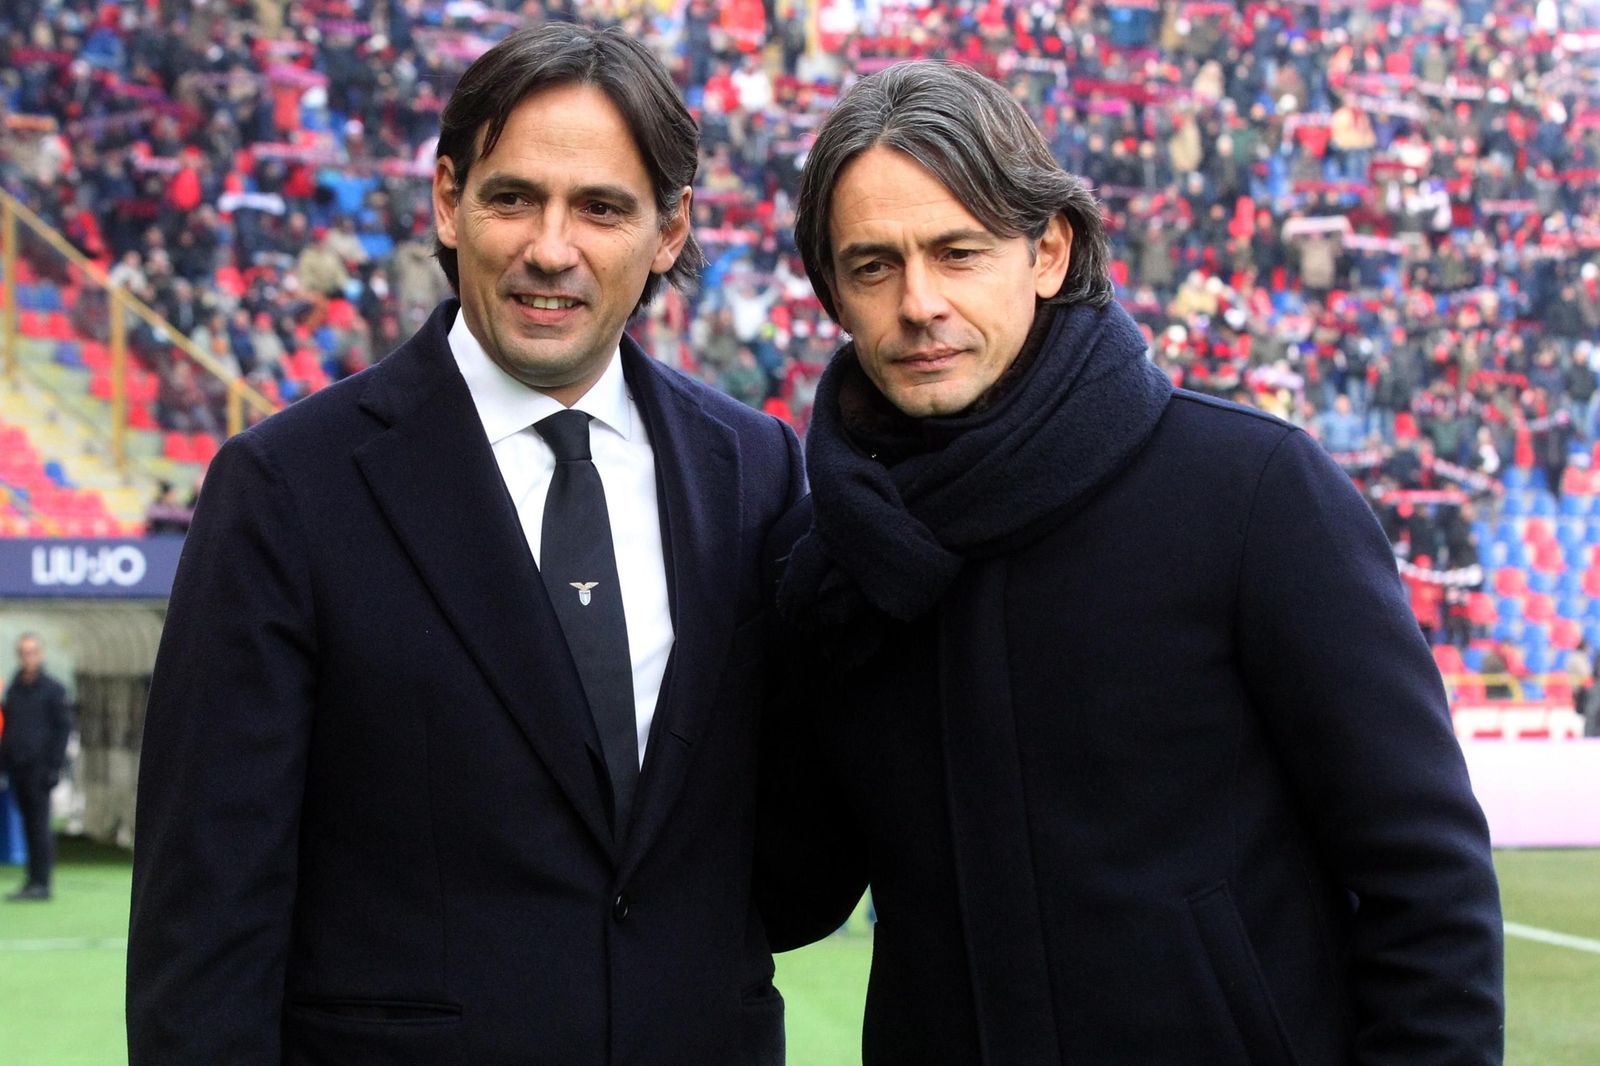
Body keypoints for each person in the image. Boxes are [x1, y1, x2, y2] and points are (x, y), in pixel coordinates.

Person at [759, 61, 1504, 1064]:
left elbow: (1426, 881)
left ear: (1048, 250)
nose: (919, 301)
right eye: (873, 265)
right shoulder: (836, 565)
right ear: (833, 294)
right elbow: (791, 894)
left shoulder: (1251, 493)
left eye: (957, 251)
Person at [127, 25, 803, 1065]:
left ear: (669, 233)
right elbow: (206, 913)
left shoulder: (756, 471)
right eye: (512, 197)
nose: (550, 246)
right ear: (447, 200)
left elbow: (793, 853)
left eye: (601, 208)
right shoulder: (286, 488)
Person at [1, 633, 72, 902]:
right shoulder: (15, 688)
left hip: (40, 770)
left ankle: (42, 882)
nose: (27, 657)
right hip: (17, 768)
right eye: (23, 652)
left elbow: (63, 730)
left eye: (31, 652)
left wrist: (54, 767)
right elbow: (9, 727)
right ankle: (32, 880)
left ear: (40, 655)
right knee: (28, 825)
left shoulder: (53, 689)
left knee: (39, 825)